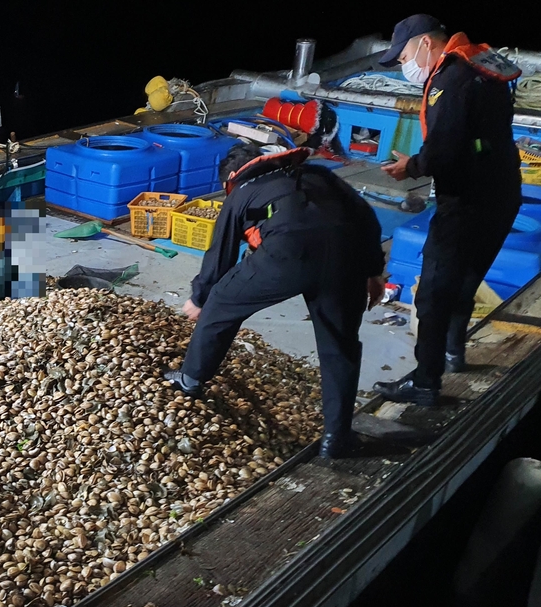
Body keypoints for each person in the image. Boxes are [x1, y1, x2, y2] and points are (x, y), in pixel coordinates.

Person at [163, 143, 386, 458]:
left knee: (222, 299)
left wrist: (200, 298)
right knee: (340, 343)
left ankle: (190, 379)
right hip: (346, 255)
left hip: (289, 253)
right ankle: (337, 437)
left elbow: (219, 258)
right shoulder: (318, 173)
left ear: (231, 179)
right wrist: (374, 272)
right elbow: (365, 216)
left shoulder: (241, 192)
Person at [374, 14, 522, 405]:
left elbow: (444, 150)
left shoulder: (450, 81)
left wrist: (413, 166)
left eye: (404, 54)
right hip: (502, 194)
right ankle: (454, 353)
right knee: (468, 277)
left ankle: (425, 384)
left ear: (426, 43)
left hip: (467, 202)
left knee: (435, 294)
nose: (406, 65)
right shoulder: (484, 68)